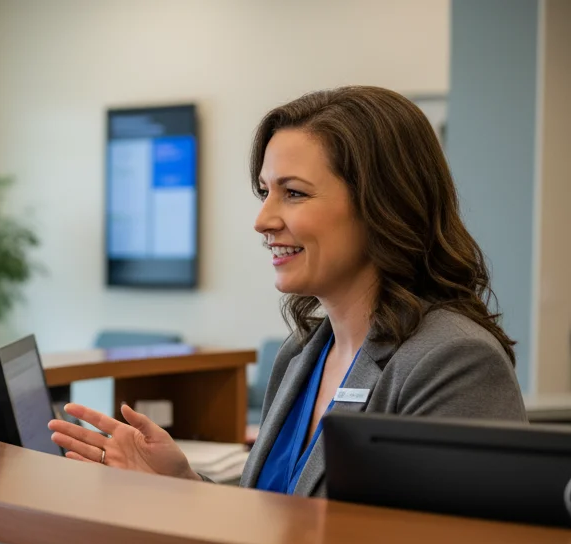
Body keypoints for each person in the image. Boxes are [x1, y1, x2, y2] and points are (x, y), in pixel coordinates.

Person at [48, 86, 526, 497]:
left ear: (383, 205)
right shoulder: (303, 354)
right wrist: (182, 485)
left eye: (293, 193)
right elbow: (278, 517)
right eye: (265, 192)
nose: (263, 220)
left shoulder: (453, 362)